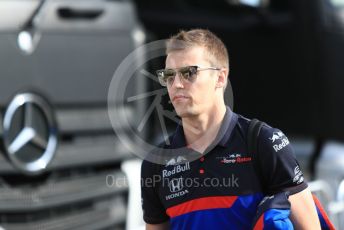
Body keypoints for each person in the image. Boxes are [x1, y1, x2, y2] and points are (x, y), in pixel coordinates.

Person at [141, 29, 321, 229]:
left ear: (220, 78)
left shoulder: (264, 141)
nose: (176, 84)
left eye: (188, 72)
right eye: (168, 75)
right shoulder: (156, 163)